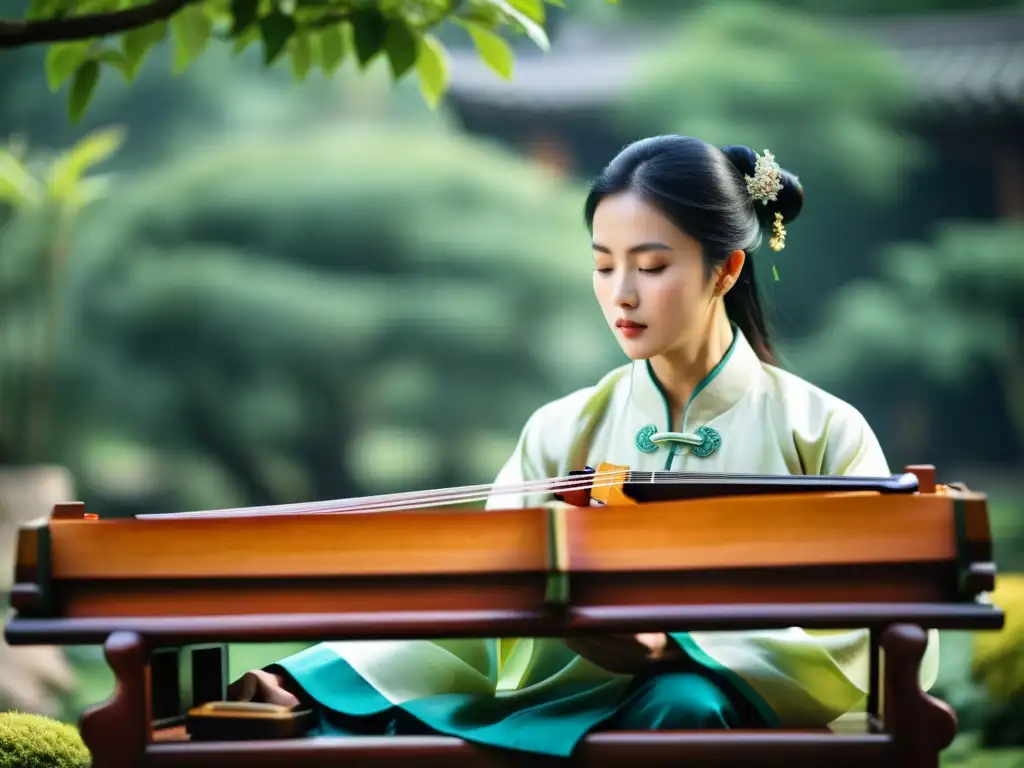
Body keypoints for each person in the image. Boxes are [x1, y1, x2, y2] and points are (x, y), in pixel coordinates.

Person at [227, 135, 938, 755]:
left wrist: (677, 648)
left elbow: (869, 630)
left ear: (724, 270)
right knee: (339, 723)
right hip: (563, 700)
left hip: (732, 711)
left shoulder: (822, 429)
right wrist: (313, 675)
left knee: (682, 703)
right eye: (604, 265)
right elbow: (483, 597)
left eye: (651, 266)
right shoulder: (562, 429)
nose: (621, 294)